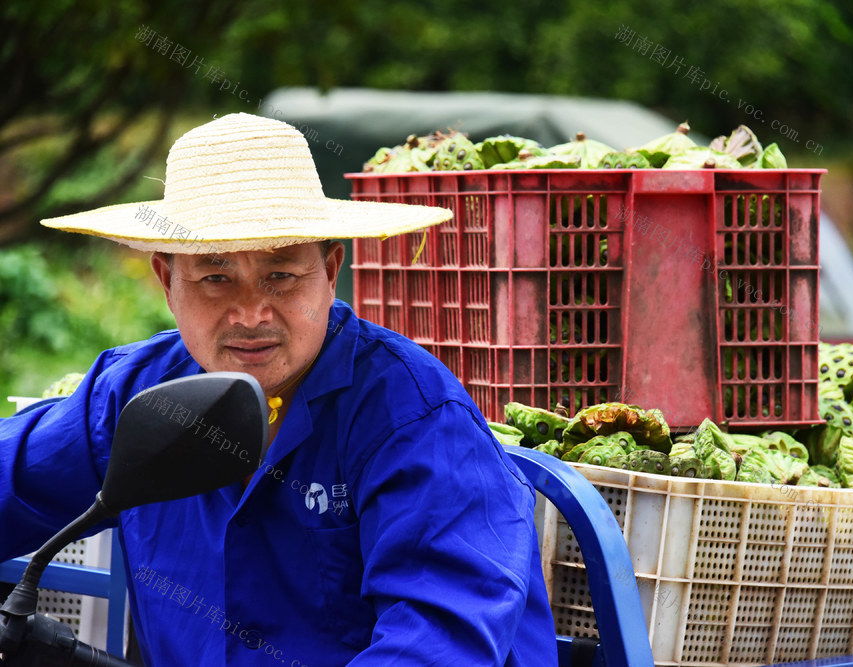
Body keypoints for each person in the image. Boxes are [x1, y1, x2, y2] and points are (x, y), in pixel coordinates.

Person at [0, 113, 558, 666]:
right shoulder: (133, 392)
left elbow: (439, 640)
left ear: (330, 269)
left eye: (281, 275)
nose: (251, 313)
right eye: (215, 277)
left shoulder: (413, 417)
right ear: (167, 281)